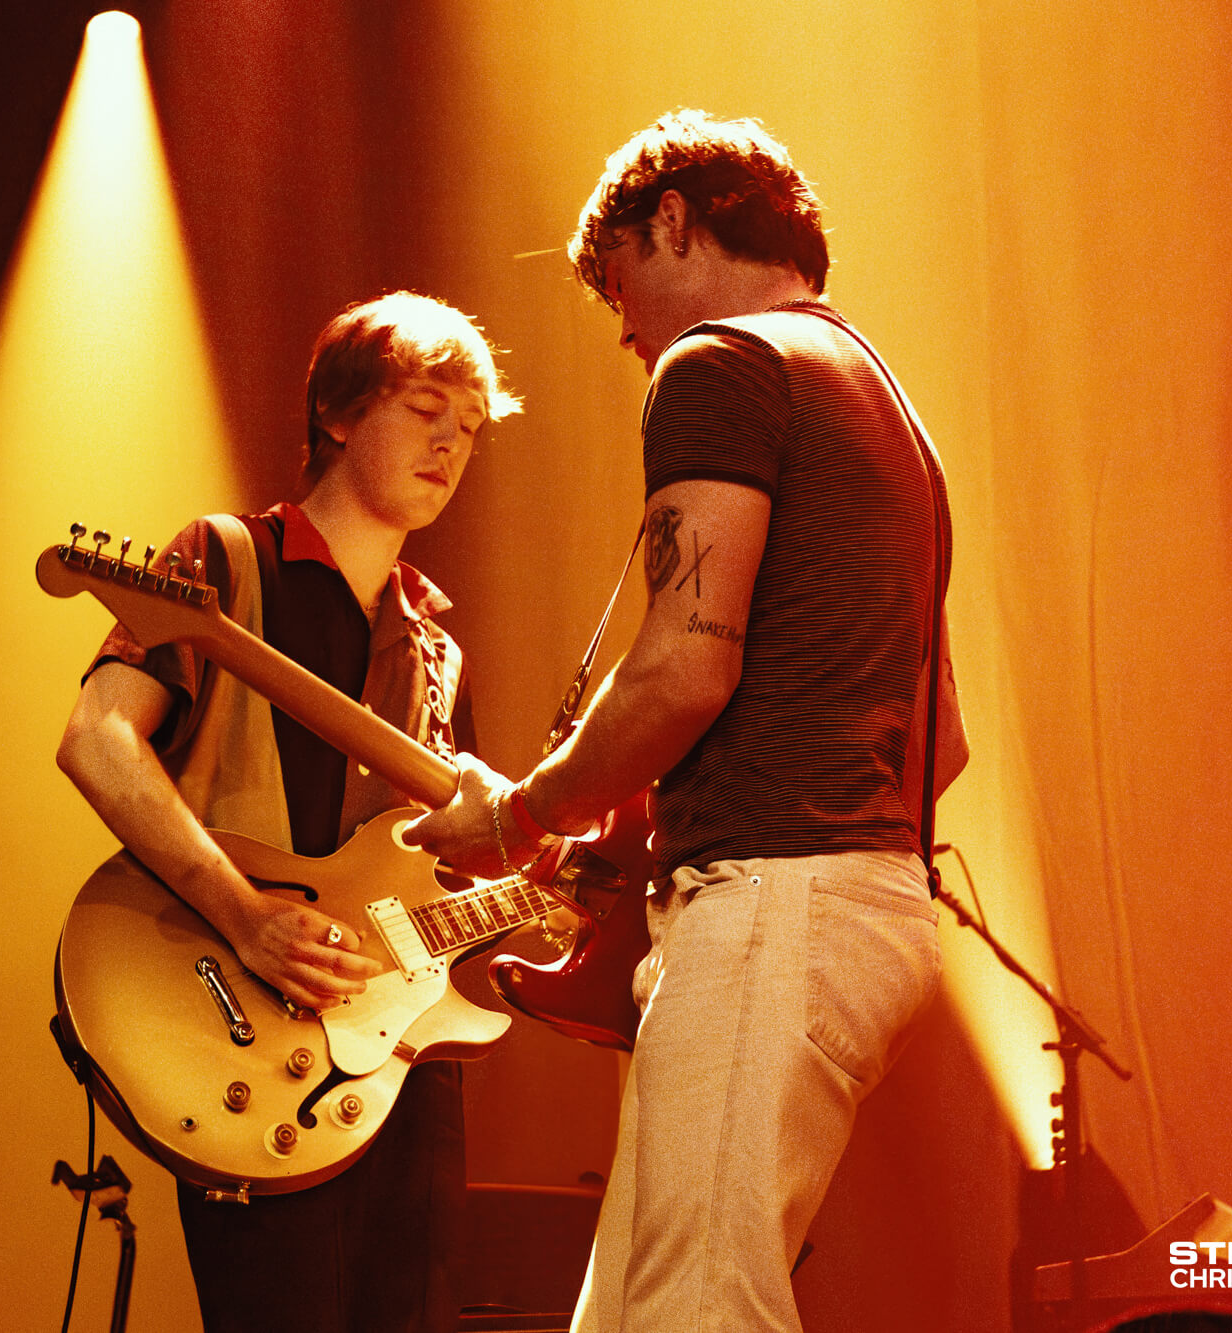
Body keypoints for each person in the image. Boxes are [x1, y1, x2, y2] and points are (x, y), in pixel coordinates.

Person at [406, 111, 969, 1332]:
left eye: (617, 284)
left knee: (695, 1316)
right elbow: (944, 738)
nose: (623, 330)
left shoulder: (719, 362)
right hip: (858, 904)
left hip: (772, 903)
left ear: (671, 220)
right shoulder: (881, 403)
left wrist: (519, 815)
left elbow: (681, 669)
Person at [56, 291, 519, 1333]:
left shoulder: (438, 646)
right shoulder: (223, 561)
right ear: (340, 413)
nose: (451, 441)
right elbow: (96, 738)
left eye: (469, 425)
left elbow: (452, 869)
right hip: (244, 1028)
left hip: (402, 1056)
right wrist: (246, 914)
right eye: (425, 407)